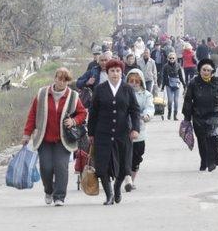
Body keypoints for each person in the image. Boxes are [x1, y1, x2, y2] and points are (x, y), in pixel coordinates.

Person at [21, 67, 88, 207]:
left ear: (68, 81)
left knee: (61, 167)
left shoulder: (73, 96)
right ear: (54, 78)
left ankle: (59, 197)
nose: (61, 82)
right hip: (44, 138)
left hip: (63, 140)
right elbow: (32, 114)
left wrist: (74, 121)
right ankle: (49, 190)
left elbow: (82, 113)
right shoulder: (42, 93)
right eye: (59, 78)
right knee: (46, 167)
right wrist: (27, 134)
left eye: (65, 80)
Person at [86, 58, 141, 205]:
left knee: (124, 165)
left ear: (121, 72)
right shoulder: (100, 89)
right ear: (107, 72)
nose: (115, 73)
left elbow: (135, 111)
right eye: (112, 71)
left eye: (118, 71)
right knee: (103, 165)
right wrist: (91, 133)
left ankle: (117, 187)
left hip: (123, 133)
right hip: (102, 133)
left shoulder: (127, 89)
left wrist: (135, 128)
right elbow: (93, 113)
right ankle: (109, 195)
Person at [183, 58, 218, 172]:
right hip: (198, 115)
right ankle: (204, 160)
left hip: (214, 114)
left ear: (212, 71)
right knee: (202, 140)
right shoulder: (194, 82)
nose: (206, 72)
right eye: (204, 70)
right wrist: (187, 117)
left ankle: (211, 161)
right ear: (200, 70)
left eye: (209, 70)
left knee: (212, 136)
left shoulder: (216, 82)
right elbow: (188, 100)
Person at [124, 69, 154, 191]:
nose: (134, 83)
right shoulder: (123, 93)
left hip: (139, 130)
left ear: (141, 82)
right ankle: (128, 181)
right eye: (131, 81)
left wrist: (147, 115)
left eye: (137, 81)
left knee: (136, 157)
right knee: (124, 156)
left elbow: (149, 107)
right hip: (124, 130)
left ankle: (132, 179)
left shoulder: (147, 95)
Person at [159, 53, 186, 120]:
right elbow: (164, 77)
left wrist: (184, 84)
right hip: (168, 85)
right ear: (168, 58)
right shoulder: (165, 66)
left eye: (173, 58)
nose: (172, 59)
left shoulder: (178, 66)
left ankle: (175, 115)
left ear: (175, 58)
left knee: (176, 101)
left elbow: (181, 76)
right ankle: (169, 112)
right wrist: (162, 87)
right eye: (170, 58)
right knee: (170, 100)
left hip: (176, 84)